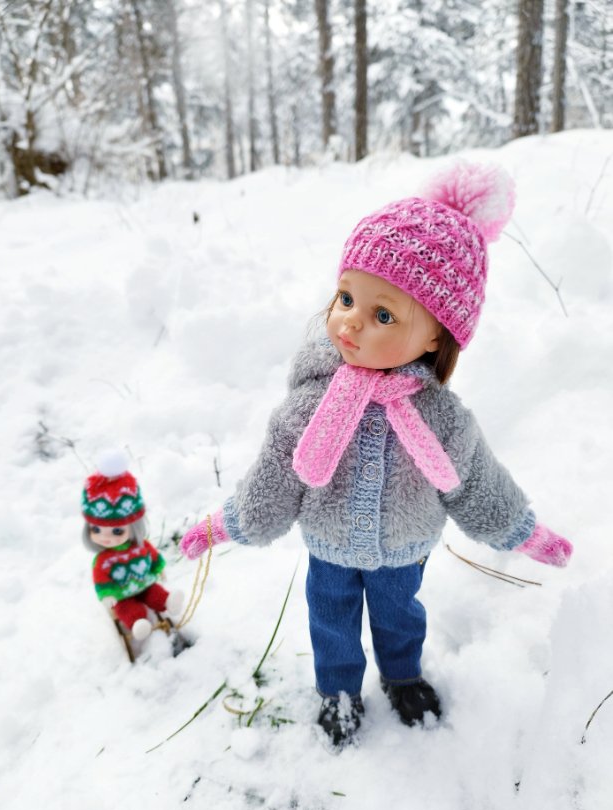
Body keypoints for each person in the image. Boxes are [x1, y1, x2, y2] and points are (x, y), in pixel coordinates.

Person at [180, 161, 572, 747]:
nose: (350, 323)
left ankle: (402, 675)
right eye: (345, 298)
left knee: (400, 617)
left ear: (437, 335)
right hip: (330, 547)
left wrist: (525, 533)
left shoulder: (441, 417)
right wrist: (226, 525)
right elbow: (274, 481)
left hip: (404, 550)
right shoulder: (311, 403)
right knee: (331, 623)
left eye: (383, 314)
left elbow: (476, 484)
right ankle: (337, 690)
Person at [82, 451, 183, 641]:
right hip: (122, 594)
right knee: (127, 608)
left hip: (145, 584)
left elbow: (153, 557)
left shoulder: (141, 547)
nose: (106, 538)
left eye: (117, 531)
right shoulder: (103, 560)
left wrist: (158, 568)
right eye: (96, 529)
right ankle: (138, 623)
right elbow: (101, 580)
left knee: (155, 593)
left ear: (134, 527)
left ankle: (168, 602)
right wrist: (107, 595)